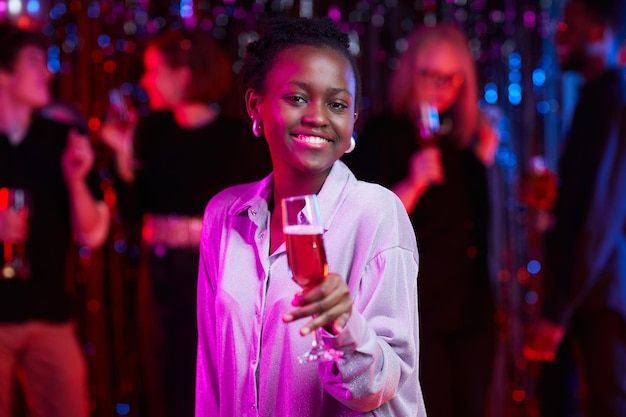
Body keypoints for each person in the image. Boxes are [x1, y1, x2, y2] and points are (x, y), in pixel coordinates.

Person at [195, 16, 426, 416]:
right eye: (297, 98)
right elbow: (213, 378)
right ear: (255, 105)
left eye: (337, 104)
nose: (318, 116)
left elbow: (384, 385)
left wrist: (344, 324)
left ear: (352, 120)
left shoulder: (376, 213)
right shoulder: (224, 216)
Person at [100, 27, 271, 417]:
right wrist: (125, 160)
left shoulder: (237, 137)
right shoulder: (152, 130)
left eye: (153, 71)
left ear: (184, 73)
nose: (145, 81)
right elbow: (132, 216)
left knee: (205, 376)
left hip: (216, 269)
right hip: (159, 269)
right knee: (159, 371)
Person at [343, 23, 499, 417]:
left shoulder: (464, 143)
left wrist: (481, 163)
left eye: (451, 78)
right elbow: (363, 228)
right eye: (430, 75)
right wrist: (412, 184)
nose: (440, 87)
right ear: (411, 72)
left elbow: (470, 225)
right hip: (416, 312)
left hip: (470, 312)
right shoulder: (383, 136)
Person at [0, 24, 110, 417]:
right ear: (3, 74)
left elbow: (93, 234)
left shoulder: (63, 138)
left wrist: (76, 180)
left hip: (50, 313)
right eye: (34, 63)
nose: (47, 73)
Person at [524, 0, 626, 416]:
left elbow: (600, 216)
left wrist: (558, 308)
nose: (558, 35)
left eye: (569, 26)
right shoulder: (596, 97)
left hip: (599, 294)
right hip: (589, 288)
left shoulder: (611, 100)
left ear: (600, 33)